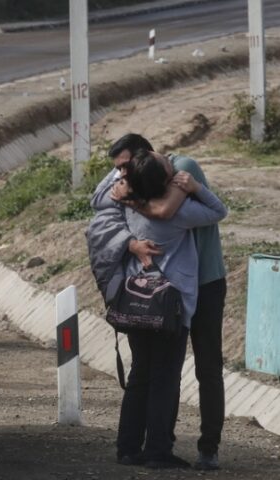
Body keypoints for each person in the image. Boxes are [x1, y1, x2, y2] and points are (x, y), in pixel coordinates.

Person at [91, 133, 227, 471]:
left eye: (124, 168)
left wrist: (130, 202)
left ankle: (128, 447)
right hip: (173, 299)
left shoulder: (133, 200)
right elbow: (213, 210)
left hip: (141, 294)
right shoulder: (175, 206)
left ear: (140, 161)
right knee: (166, 375)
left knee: (142, 373)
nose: (119, 175)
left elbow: (155, 208)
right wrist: (195, 189)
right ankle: (157, 450)